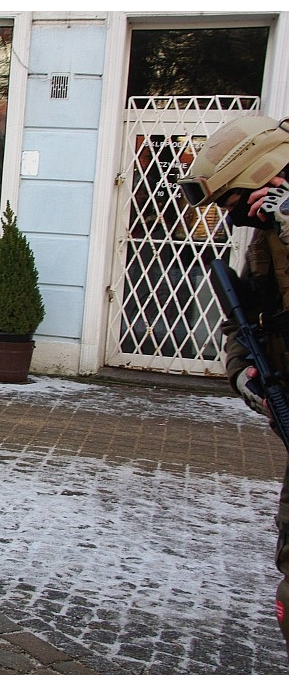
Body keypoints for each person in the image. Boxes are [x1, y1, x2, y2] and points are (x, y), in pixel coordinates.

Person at [177, 114, 289, 657]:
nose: (233, 215)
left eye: (234, 201)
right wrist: (243, 370)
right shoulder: (268, 239)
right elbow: (245, 314)